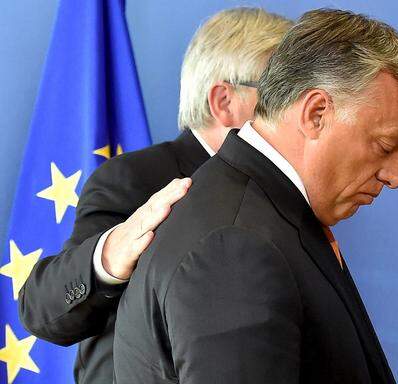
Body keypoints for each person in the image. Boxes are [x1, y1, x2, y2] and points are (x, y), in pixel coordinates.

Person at [113, 8, 398, 384]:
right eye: (385, 145)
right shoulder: (236, 246)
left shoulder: (268, 214)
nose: (394, 176)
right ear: (316, 113)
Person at [18, 8, 292, 384]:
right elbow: (40, 309)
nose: (297, 112)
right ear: (225, 102)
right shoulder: (136, 178)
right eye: (281, 94)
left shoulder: (285, 191)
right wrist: (111, 254)